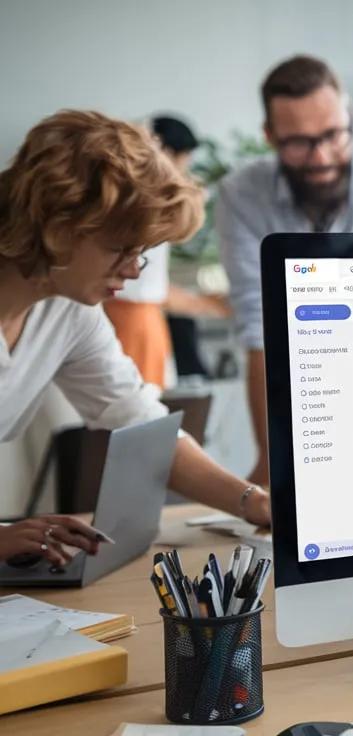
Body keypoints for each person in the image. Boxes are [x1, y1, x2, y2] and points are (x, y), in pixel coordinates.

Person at [0, 110, 272, 568]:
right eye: (121, 249)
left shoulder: (69, 310)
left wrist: (254, 502)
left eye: (141, 253)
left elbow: (143, 425)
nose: (133, 270)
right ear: (60, 226)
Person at [217, 55, 353, 488]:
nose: (321, 158)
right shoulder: (241, 196)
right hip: (303, 387)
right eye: (298, 142)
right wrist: (272, 458)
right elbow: (259, 324)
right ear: (269, 136)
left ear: (350, 118)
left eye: (333, 136)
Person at [101, 114, 228, 388]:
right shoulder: (146, 200)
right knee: (139, 400)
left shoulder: (137, 200)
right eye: (184, 163)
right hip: (134, 317)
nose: (184, 173)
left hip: (140, 314)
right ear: (166, 152)